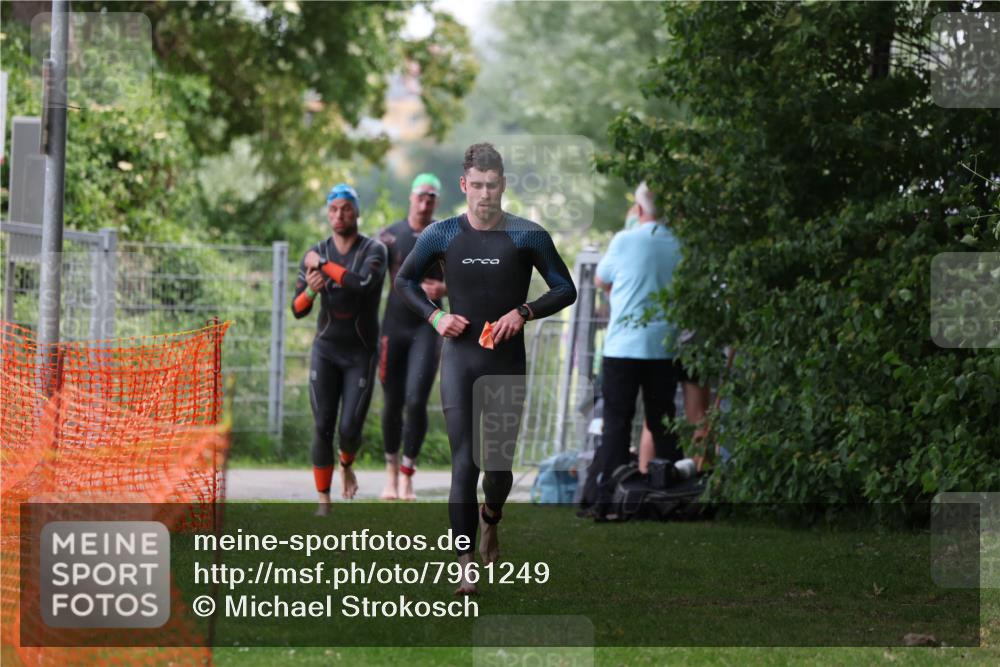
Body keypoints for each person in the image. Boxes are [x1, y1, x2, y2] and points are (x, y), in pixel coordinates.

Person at [395, 143, 576, 593]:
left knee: (497, 467)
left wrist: (524, 312)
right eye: (476, 186)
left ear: (503, 185)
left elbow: (565, 288)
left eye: (492, 186)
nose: (484, 195)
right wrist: (435, 315)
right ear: (464, 185)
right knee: (464, 464)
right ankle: (464, 567)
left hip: (505, 362)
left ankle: (492, 517)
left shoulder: (527, 235)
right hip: (460, 359)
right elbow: (404, 281)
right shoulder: (441, 235)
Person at [291, 183, 387, 516]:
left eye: (346, 208)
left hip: (360, 352)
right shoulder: (315, 250)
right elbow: (297, 308)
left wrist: (323, 266)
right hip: (326, 350)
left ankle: (347, 462)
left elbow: (361, 284)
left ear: (356, 212)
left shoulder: (374, 250)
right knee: (322, 425)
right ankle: (324, 501)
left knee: (349, 429)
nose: (339, 215)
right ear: (327, 213)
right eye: (333, 209)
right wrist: (311, 292)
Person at [591, 181, 684, 521]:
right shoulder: (680, 243)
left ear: (640, 209)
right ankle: (670, 495)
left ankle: (609, 499)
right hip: (663, 345)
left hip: (623, 346)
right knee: (663, 424)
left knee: (616, 423)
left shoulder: (624, 240)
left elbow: (601, 279)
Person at [377, 173, 447, 500]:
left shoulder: (446, 235)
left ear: (436, 202)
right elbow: (365, 277)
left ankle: (407, 473)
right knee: (392, 403)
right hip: (394, 326)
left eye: (431, 197)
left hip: (427, 327)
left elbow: (469, 278)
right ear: (410, 197)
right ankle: (390, 474)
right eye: (421, 195)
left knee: (416, 400)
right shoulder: (390, 236)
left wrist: (444, 288)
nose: (425, 202)